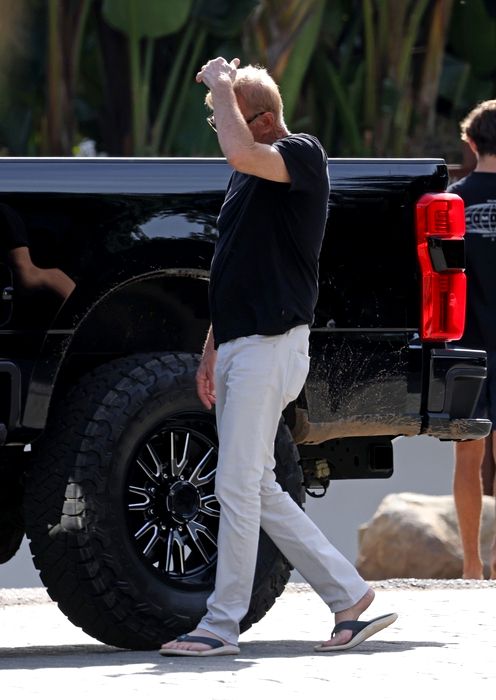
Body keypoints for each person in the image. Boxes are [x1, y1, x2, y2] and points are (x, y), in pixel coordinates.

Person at [160, 57, 397, 657]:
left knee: (236, 485)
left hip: (270, 349)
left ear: (262, 121)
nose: (219, 128)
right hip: (242, 347)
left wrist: (221, 85)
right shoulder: (248, 178)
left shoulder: (302, 153)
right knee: (256, 486)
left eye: (226, 117)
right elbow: (237, 267)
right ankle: (350, 596)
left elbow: (240, 152)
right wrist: (213, 347)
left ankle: (221, 624)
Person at [448, 99, 496, 580]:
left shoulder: (453, 202)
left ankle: (471, 565)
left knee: (468, 453)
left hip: (467, 346)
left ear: (470, 142)